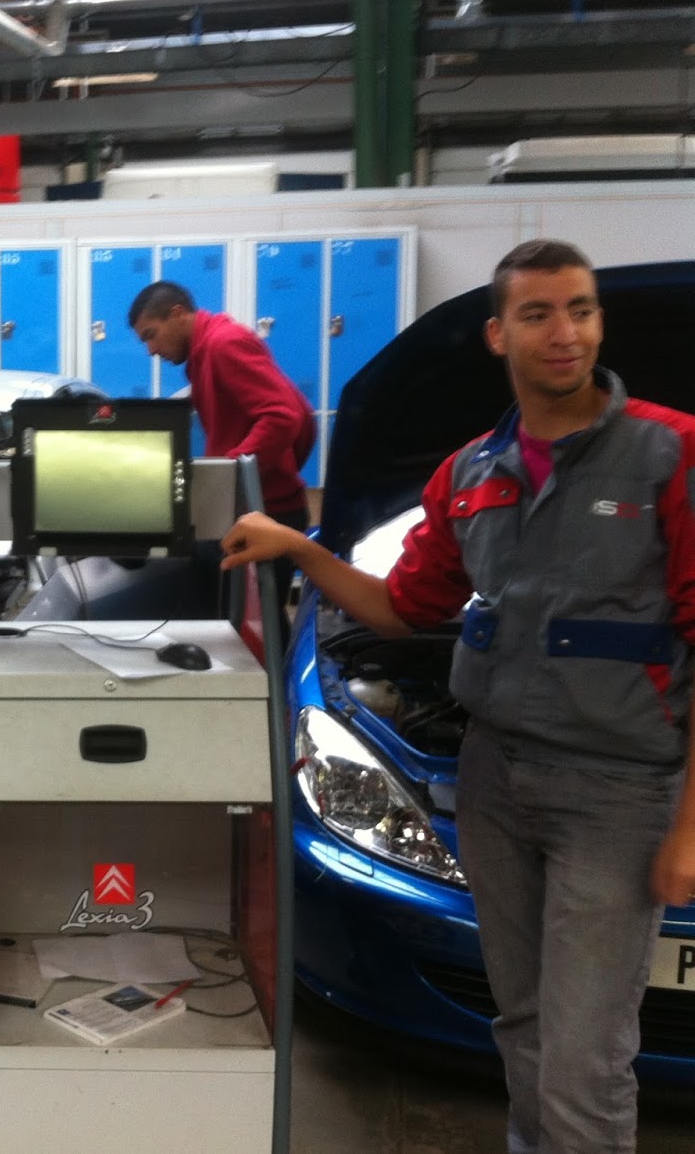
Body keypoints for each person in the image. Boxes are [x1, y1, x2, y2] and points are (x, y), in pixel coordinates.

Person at [221, 238, 695, 1153]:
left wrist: (688, 822)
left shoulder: (671, 453)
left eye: (582, 310)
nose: (566, 333)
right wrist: (304, 549)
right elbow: (404, 609)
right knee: (521, 1022)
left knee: (586, 1052)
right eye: (539, 313)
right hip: (491, 777)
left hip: (618, 789)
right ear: (496, 334)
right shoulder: (470, 473)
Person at [129, 281, 315, 607]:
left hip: (265, 513)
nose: (151, 350)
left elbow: (284, 416)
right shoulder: (206, 351)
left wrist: (230, 476)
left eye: (150, 334)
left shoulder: (224, 344)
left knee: (256, 630)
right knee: (236, 616)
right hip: (249, 508)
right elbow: (297, 411)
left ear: (178, 314)